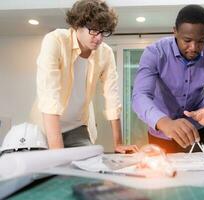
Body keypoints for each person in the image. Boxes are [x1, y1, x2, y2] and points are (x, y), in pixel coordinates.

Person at [30, 0, 138, 153]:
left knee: (89, 166)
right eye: (93, 30)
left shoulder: (105, 53)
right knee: (50, 172)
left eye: (103, 32)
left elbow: (112, 97)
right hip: (46, 125)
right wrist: (58, 153)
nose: (99, 38)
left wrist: (118, 144)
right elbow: (49, 97)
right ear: (76, 25)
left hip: (77, 126)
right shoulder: (55, 40)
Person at [132, 5, 204, 153]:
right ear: (175, 32)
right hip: (161, 131)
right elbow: (140, 96)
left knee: (197, 174)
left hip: (196, 130)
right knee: (162, 174)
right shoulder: (155, 53)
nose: (194, 47)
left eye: (201, 41)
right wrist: (165, 123)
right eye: (187, 40)